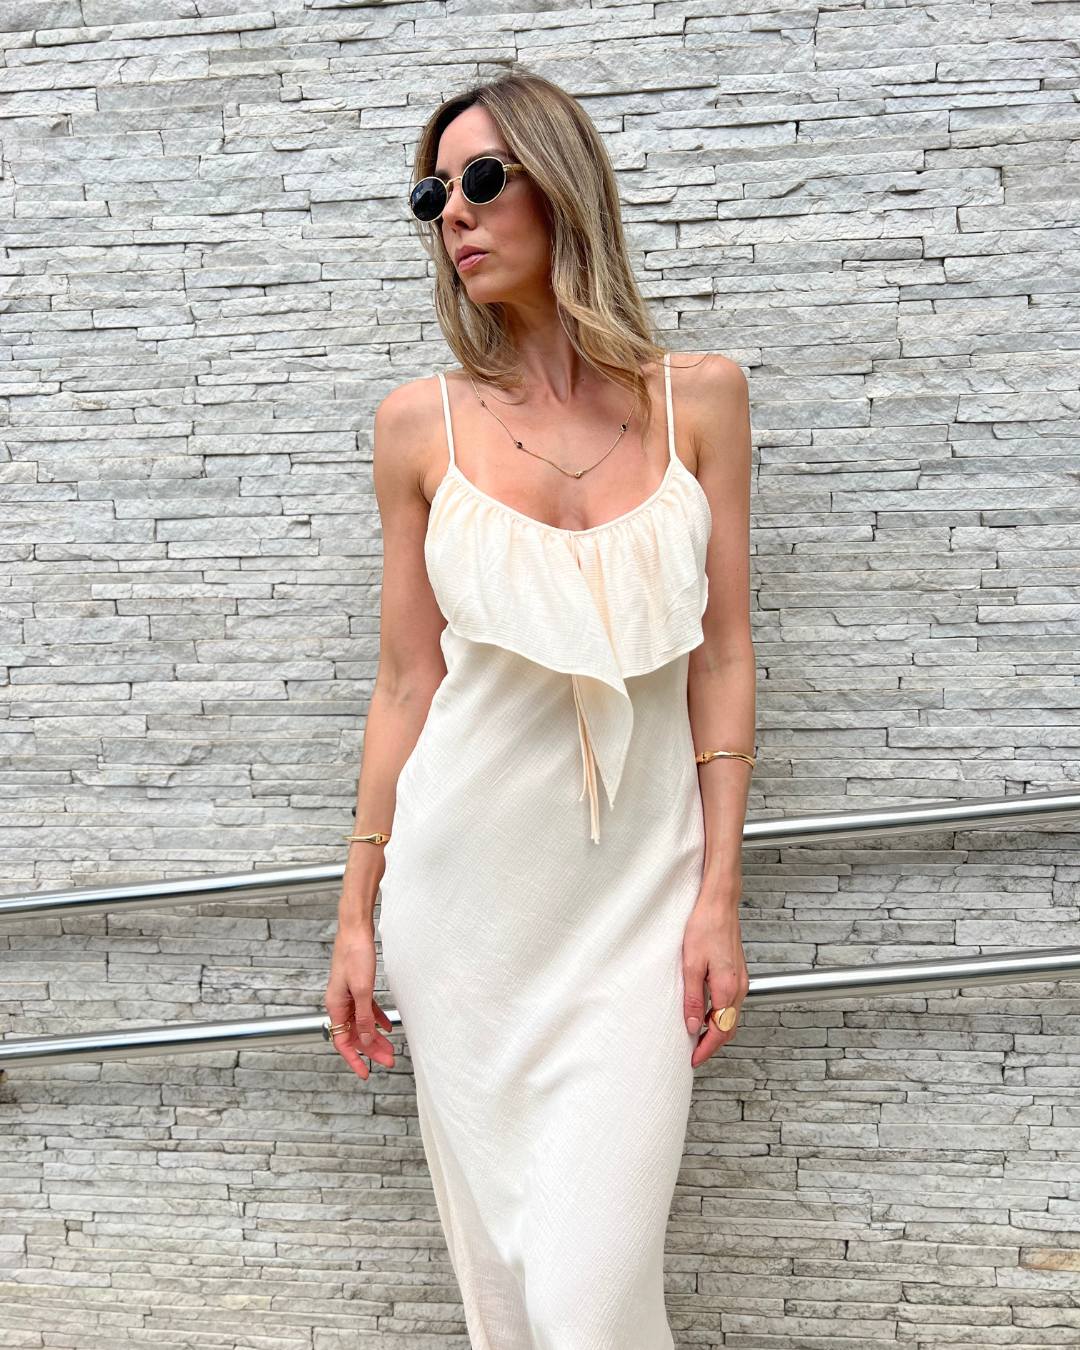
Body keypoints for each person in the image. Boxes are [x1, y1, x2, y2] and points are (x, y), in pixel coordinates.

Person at [324, 68, 755, 1350]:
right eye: (431, 196)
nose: (453, 214)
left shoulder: (702, 400)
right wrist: (355, 914)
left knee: (589, 1289)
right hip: (467, 907)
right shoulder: (420, 427)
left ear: (563, 186)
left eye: (480, 180)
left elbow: (723, 657)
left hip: (637, 905)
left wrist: (719, 894)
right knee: (514, 1289)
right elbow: (407, 681)